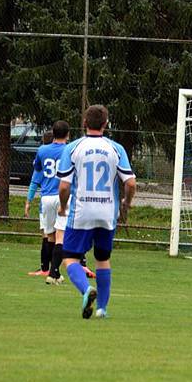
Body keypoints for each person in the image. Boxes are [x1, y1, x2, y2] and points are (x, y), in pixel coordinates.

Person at [57, 104, 136, 319]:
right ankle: (101, 309)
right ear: (105, 124)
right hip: (106, 213)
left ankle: (86, 289)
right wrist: (126, 203)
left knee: (70, 256)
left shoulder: (73, 148)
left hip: (82, 212)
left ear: (84, 123)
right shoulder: (116, 149)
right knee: (102, 258)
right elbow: (130, 183)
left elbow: (64, 186)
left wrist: (63, 207)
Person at [25, 122, 70, 285]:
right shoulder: (70, 149)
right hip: (63, 195)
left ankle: (54, 272)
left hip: (46, 197)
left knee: (49, 235)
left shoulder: (42, 150)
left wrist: (28, 200)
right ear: (67, 134)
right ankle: (53, 272)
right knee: (61, 236)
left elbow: (37, 169)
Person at [26, 130, 54, 277]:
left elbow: (34, 182)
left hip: (47, 201)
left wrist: (28, 201)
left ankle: (45, 268)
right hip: (62, 200)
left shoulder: (42, 159)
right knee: (60, 235)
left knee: (46, 235)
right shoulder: (63, 156)